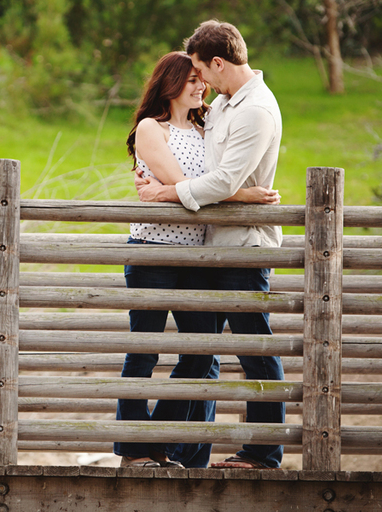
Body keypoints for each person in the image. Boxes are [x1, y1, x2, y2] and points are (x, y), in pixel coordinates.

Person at [116, 51, 280, 469]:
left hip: (198, 255)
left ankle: (172, 447)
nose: (199, 85)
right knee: (144, 352)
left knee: (202, 354)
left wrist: (226, 186)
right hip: (154, 252)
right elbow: (186, 185)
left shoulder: (210, 124)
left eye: (200, 78)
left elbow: (212, 182)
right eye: (189, 79)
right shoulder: (152, 128)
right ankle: (135, 450)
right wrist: (244, 194)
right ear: (168, 84)